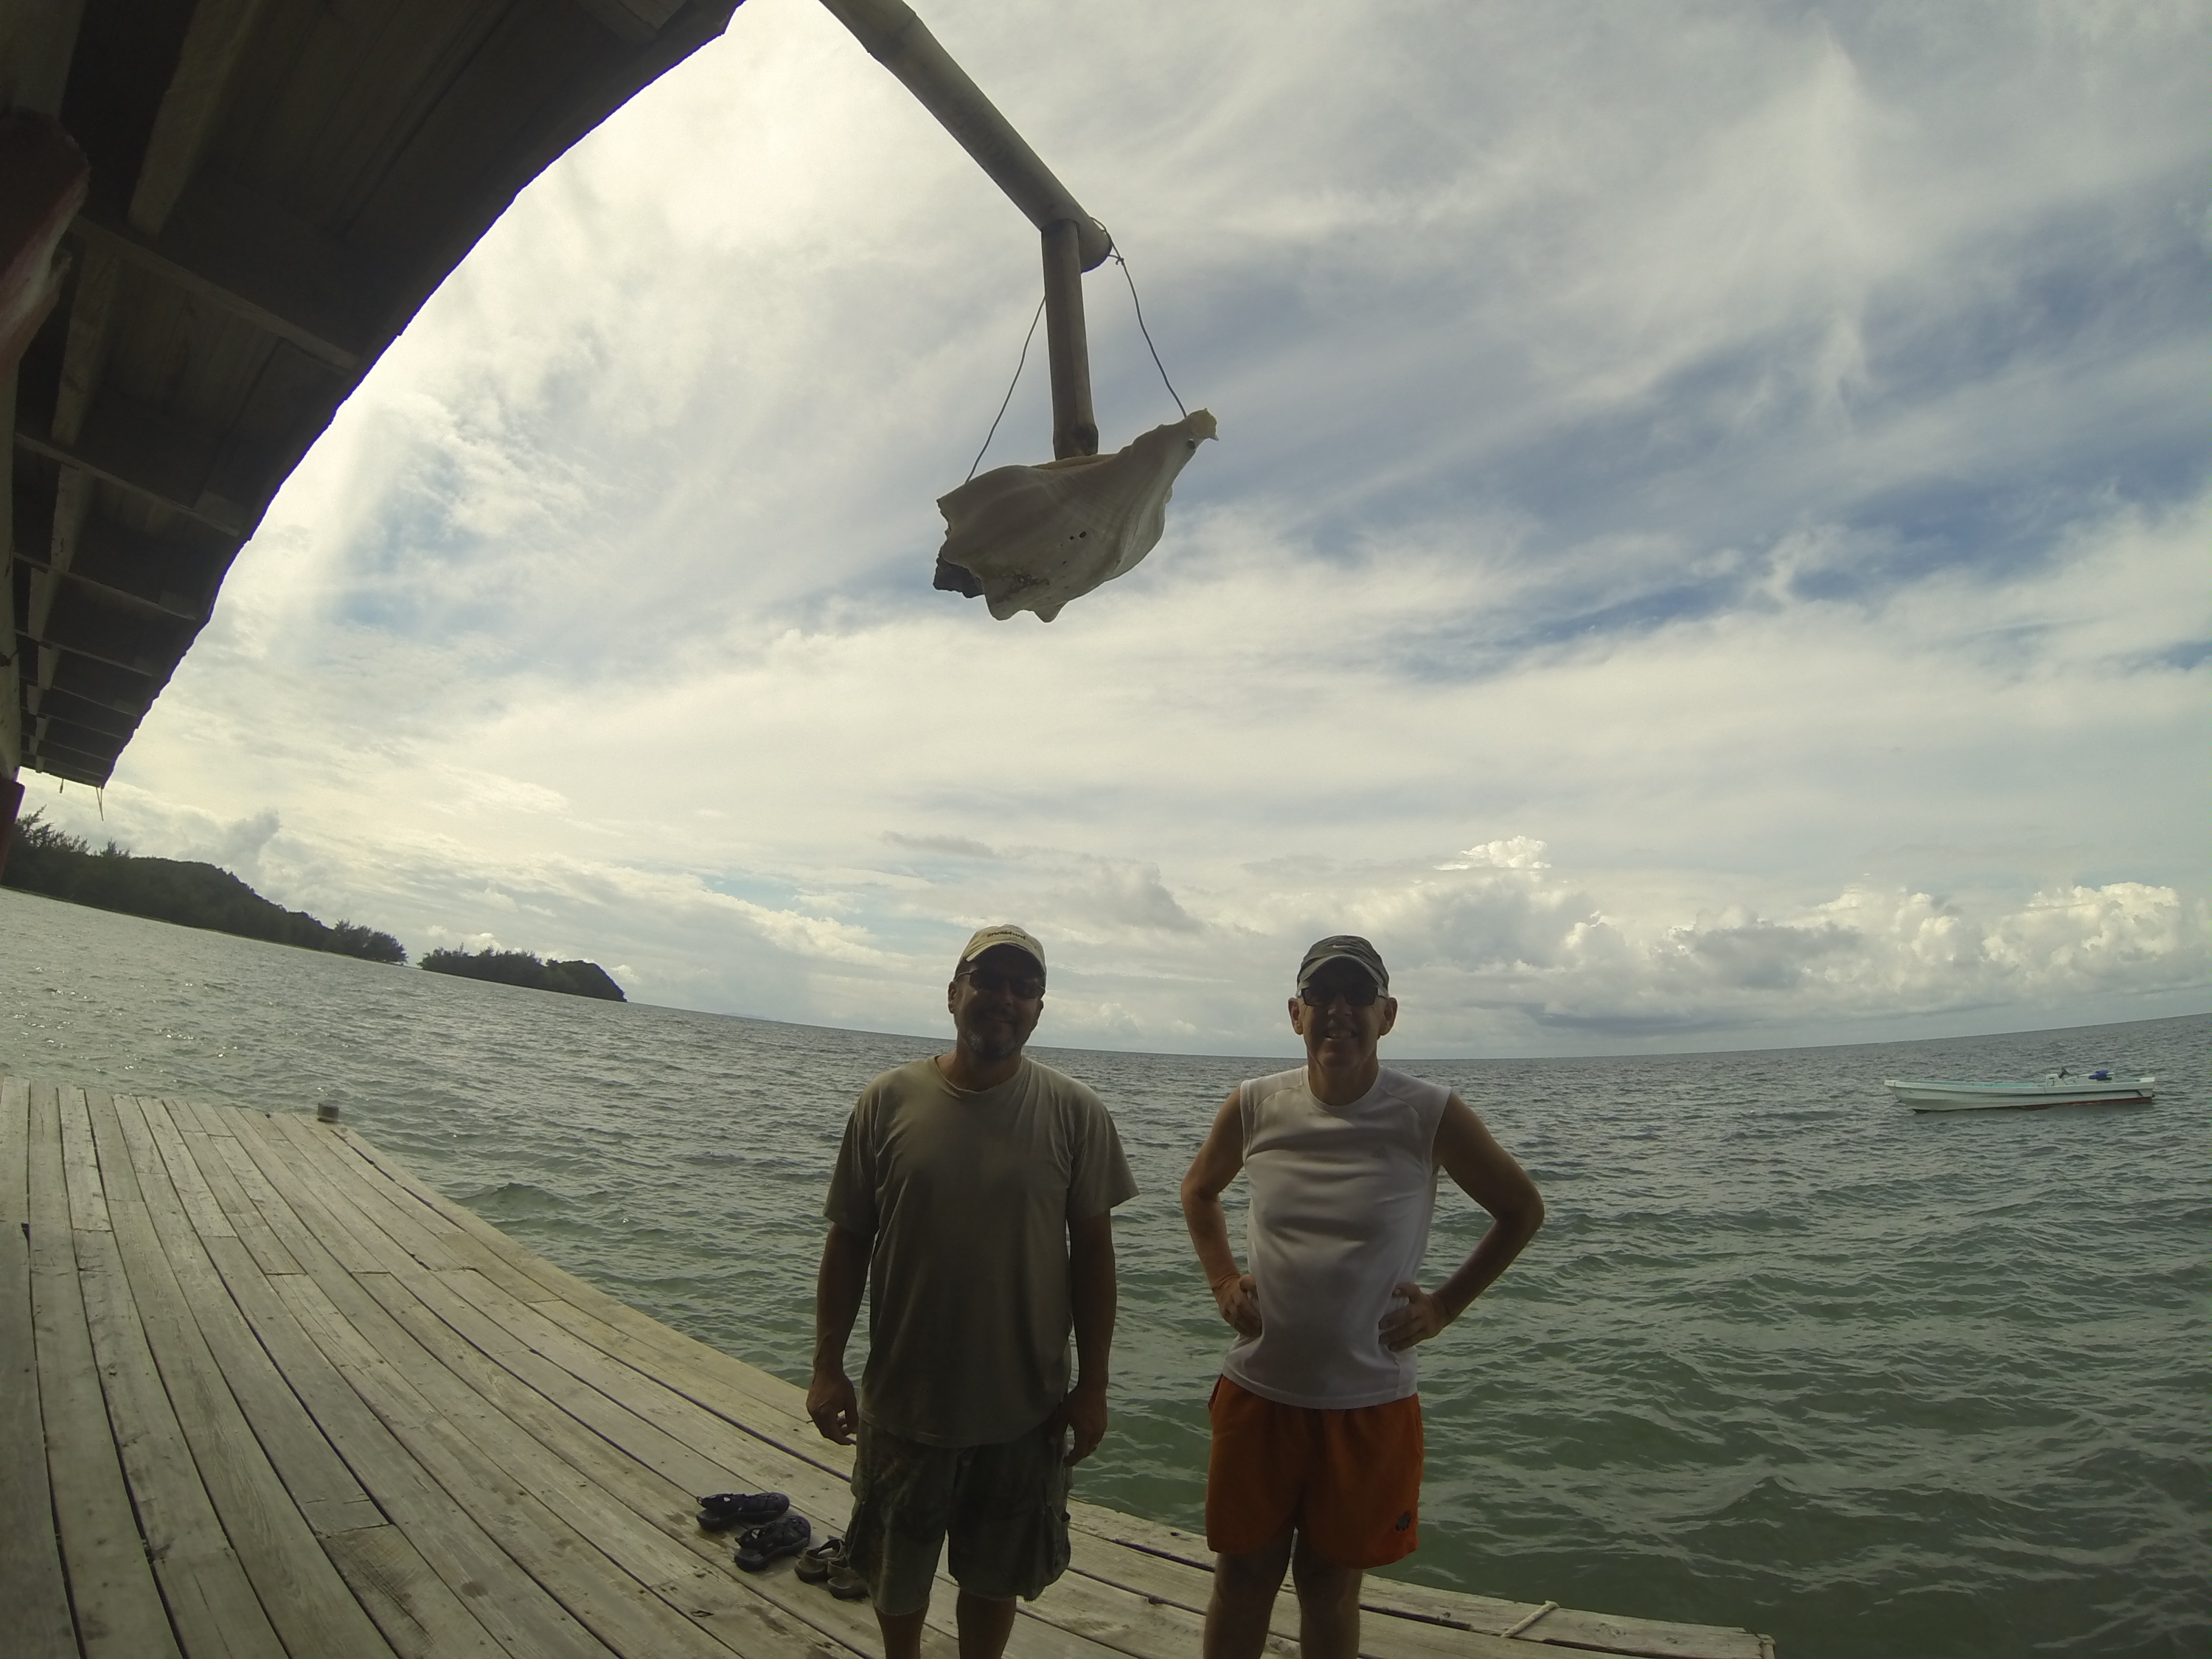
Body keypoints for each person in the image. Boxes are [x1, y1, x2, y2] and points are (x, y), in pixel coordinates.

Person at [1180, 935, 1545, 1659]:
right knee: (1242, 1578)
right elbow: (1198, 1190)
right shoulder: (1255, 1105)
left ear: (1388, 1014)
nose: (1338, 1012)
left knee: (1328, 1586)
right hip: (1260, 1391)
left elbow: (1521, 1210)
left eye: (1358, 996)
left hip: (1369, 1401)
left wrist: (1445, 1306)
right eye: (1321, 996)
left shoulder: (1428, 1113)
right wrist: (1222, 1279)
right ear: (1296, 1013)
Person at [809, 924, 1138, 1659]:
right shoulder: (886, 1100)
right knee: (894, 1578)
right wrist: (827, 1366)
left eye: (1024, 988)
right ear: (954, 993)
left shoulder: (1076, 1112)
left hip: (1025, 1414)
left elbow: (1094, 1255)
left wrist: (1093, 1386)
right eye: (988, 980)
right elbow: (848, 1239)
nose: (1004, 999)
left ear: (1039, 1009)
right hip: (903, 1406)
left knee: (995, 1581)